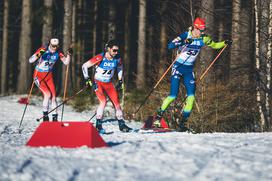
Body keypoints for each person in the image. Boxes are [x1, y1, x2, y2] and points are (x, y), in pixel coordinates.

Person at [154, 17, 232, 131]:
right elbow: (170, 45)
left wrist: (224, 43)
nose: (202, 32)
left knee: (191, 96)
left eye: (203, 30)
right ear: (195, 28)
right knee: (173, 95)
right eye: (200, 30)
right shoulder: (186, 35)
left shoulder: (204, 38)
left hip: (189, 70)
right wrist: (184, 42)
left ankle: (183, 123)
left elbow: (215, 45)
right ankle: (158, 118)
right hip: (178, 67)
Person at [82, 39, 132, 133]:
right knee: (103, 102)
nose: (116, 52)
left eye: (117, 51)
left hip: (108, 83)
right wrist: (87, 79)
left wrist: (120, 80)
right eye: (114, 50)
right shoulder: (100, 57)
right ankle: (98, 125)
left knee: (117, 103)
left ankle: (122, 125)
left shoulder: (117, 58)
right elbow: (84, 66)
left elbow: (120, 67)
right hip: (98, 83)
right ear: (108, 49)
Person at [29, 38, 72, 121]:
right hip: (38, 75)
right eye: (53, 46)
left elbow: (66, 62)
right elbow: (30, 60)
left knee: (53, 97)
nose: (54, 48)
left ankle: (55, 118)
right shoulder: (43, 50)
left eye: (56, 46)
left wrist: (69, 55)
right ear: (50, 44)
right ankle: (45, 116)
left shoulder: (58, 53)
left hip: (49, 76)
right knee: (47, 94)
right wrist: (39, 54)